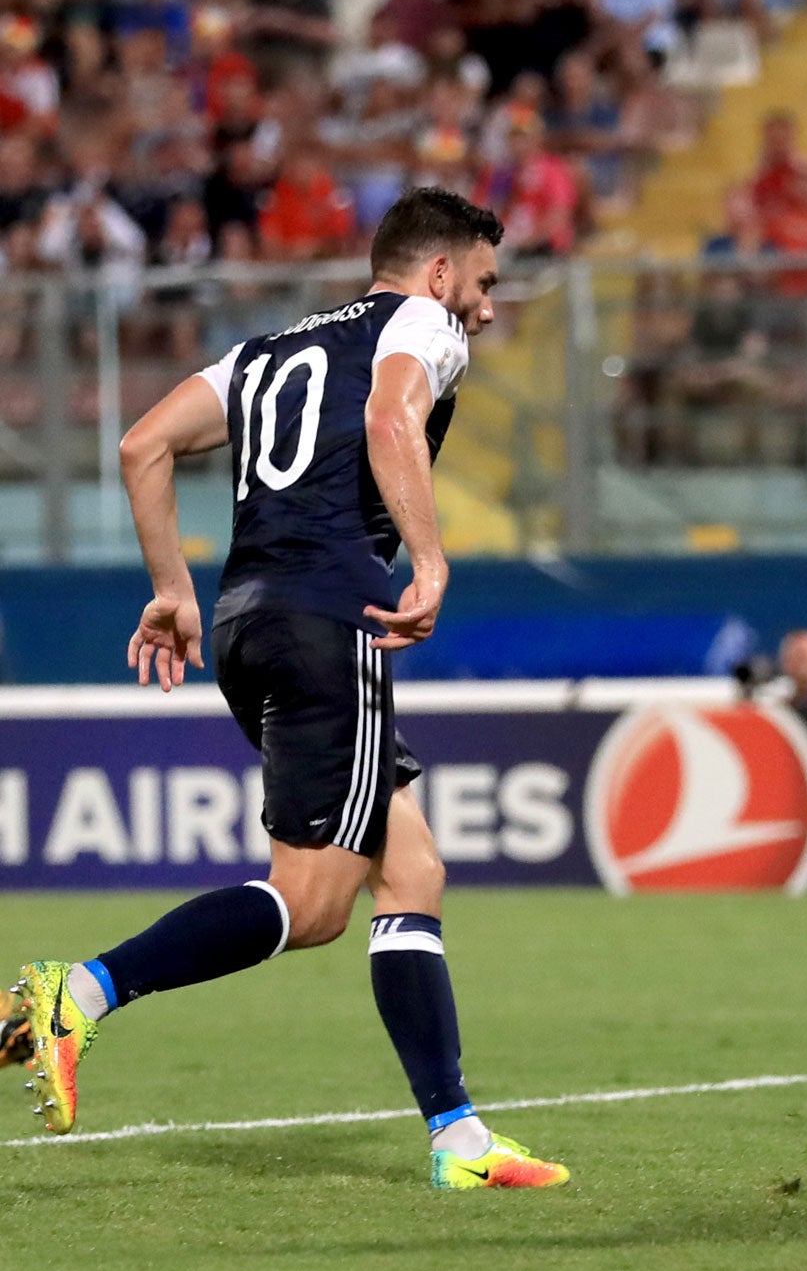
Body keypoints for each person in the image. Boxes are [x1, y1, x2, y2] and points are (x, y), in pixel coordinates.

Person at [12, 189, 568, 1190]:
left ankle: (459, 1140)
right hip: (330, 619)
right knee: (311, 904)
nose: (485, 308)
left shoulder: (264, 351)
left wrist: (173, 592)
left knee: (412, 872)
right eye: (482, 284)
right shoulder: (422, 326)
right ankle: (80, 993)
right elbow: (391, 413)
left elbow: (143, 444)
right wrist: (431, 562)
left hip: (243, 620)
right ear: (437, 272)